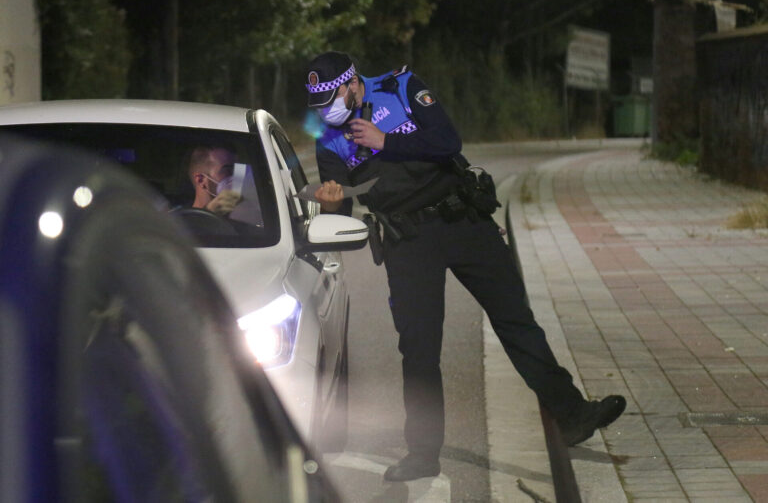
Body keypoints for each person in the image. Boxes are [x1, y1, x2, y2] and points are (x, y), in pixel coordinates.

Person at [305, 51, 626, 482]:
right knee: (418, 349)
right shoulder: (328, 140)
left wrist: (387, 140)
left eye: (331, 101)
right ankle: (422, 454)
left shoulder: (398, 87)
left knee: (515, 319)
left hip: (461, 221)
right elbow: (343, 204)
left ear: (351, 84)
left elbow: (446, 141)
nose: (328, 112)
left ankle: (573, 415)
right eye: (319, 107)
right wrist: (332, 203)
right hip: (408, 241)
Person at [188, 145, 241, 215]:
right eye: (228, 170)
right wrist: (209, 212)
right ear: (201, 180)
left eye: (238, 170)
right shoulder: (177, 221)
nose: (237, 177)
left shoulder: (243, 216)